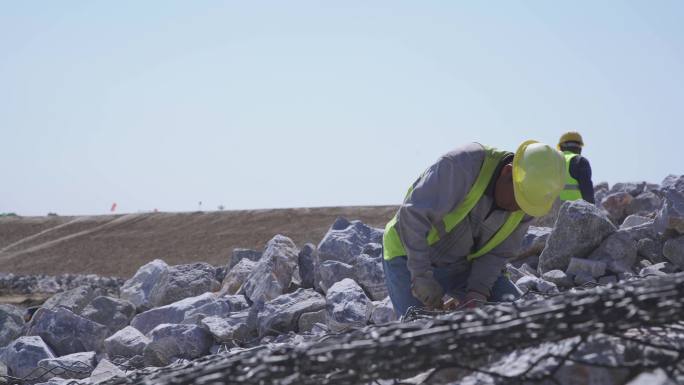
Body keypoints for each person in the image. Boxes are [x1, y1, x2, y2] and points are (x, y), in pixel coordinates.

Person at [382, 141, 566, 315]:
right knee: (417, 328)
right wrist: (420, 276)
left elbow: (496, 254)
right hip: (409, 255)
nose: (519, 210)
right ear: (507, 173)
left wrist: (477, 294)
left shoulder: (528, 201)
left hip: (463, 266)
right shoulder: (462, 165)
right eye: (519, 200)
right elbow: (413, 216)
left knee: (515, 314)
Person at [557, 131, 595, 203]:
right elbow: (587, 191)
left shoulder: (552, 160)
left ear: (561, 147)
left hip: (551, 211)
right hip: (574, 211)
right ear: (580, 148)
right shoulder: (581, 162)